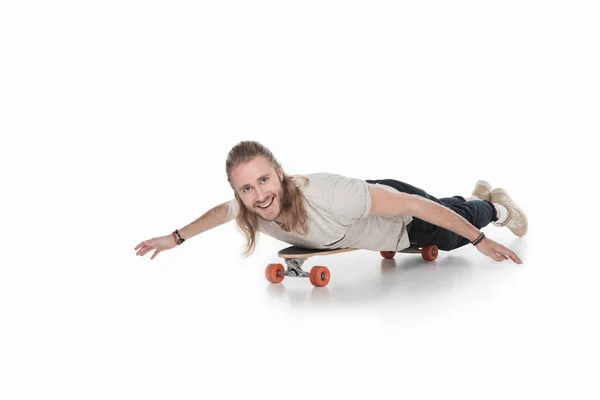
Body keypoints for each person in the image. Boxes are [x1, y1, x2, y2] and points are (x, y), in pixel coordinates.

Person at [134, 140, 526, 264]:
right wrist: (175, 238)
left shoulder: (328, 195)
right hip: (377, 212)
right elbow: (220, 213)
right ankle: (473, 198)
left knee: (452, 232)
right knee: (450, 209)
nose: (259, 195)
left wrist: (479, 240)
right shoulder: (247, 206)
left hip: (405, 220)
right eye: (246, 189)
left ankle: (498, 207)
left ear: (280, 174)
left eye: (264, 180)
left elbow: (418, 207)